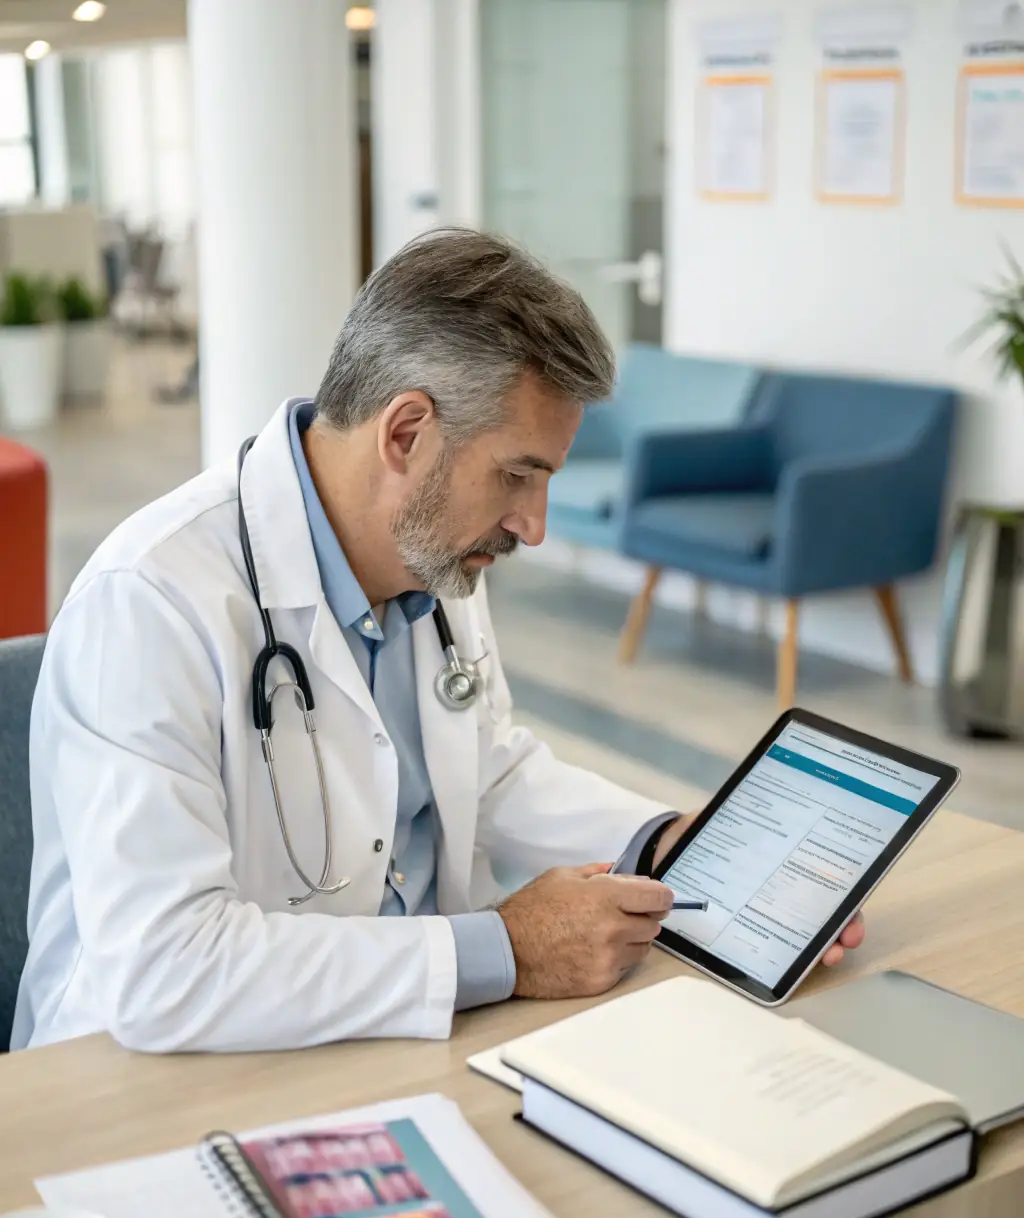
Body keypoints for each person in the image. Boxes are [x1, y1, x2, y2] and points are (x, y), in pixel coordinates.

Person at [12, 230, 863, 1053]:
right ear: (407, 432)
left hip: (394, 1039)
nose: (532, 526)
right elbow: (165, 970)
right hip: (162, 1080)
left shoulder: (436, 562)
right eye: (518, 474)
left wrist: (666, 840)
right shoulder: (152, 605)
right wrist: (501, 949)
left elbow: (485, 773)